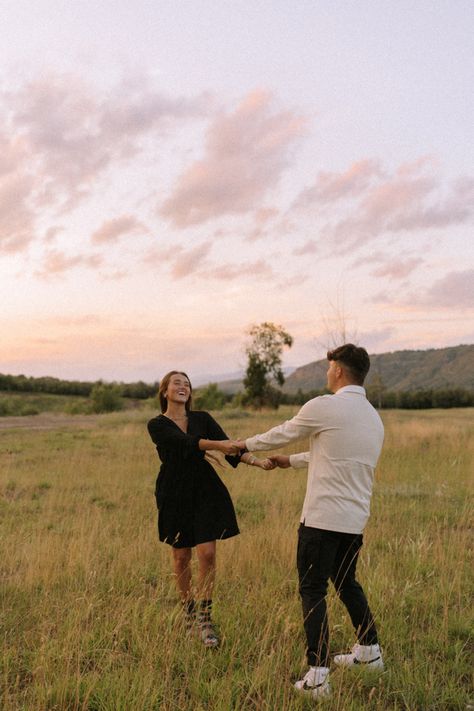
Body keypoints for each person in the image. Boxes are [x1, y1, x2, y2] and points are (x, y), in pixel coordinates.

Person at [235, 344, 385, 698]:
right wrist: (293, 461)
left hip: (322, 519)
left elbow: (284, 431)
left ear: (337, 370)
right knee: (347, 582)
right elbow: (337, 453)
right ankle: (370, 652)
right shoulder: (372, 417)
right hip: (354, 518)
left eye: (329, 367)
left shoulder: (325, 406)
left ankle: (317, 676)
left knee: (312, 589)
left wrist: (241, 444)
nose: (327, 372)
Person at [147, 370, 272, 648]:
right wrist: (216, 446)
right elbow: (185, 443)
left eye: (187, 384)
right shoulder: (157, 424)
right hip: (174, 492)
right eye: (177, 383)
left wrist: (258, 462)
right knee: (181, 556)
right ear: (165, 391)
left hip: (205, 489)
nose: (183, 387)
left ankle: (205, 617)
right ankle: (188, 612)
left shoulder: (202, 418)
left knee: (207, 553)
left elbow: (232, 448)